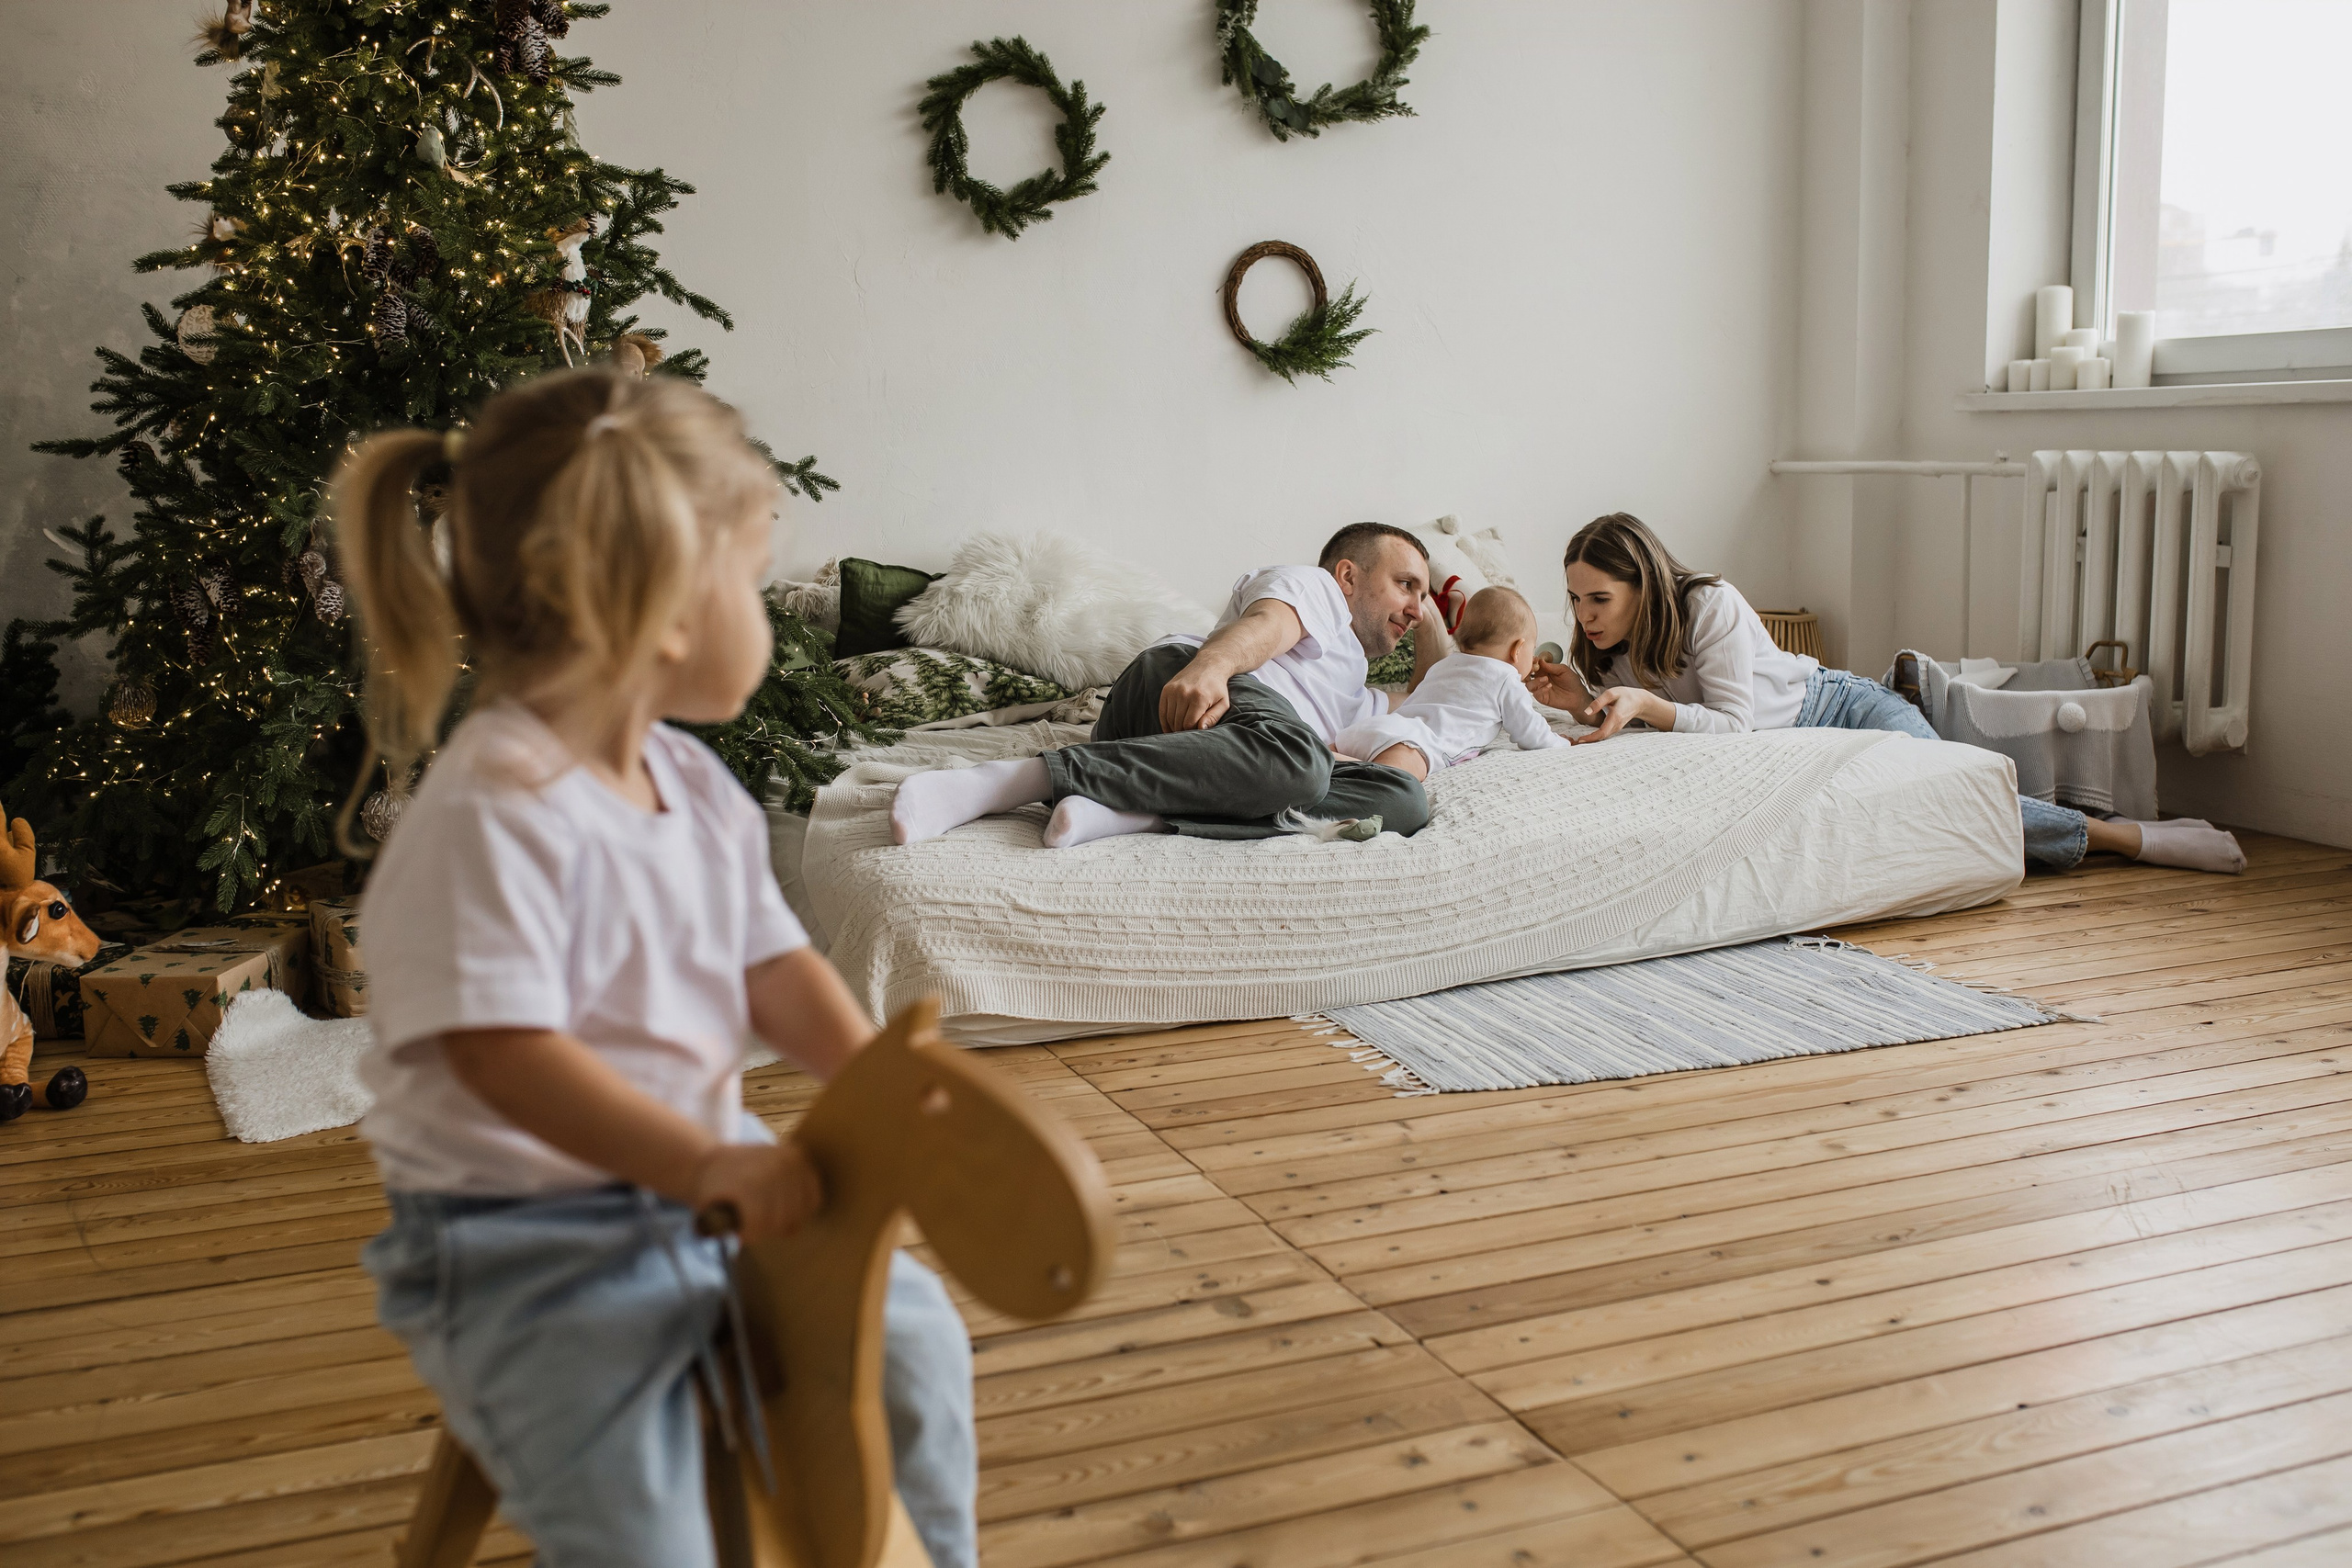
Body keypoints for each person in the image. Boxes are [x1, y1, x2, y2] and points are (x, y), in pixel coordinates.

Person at [334, 367, 978, 1568]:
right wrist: (700, 1158)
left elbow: (770, 963)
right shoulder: (496, 809)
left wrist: (874, 1075)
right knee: (651, 1518)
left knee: (913, 1345)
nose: (769, 610)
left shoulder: (691, 788)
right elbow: (502, 1053)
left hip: (709, 1195)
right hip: (526, 1241)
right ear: (665, 607)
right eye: (752, 576)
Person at [1525, 512, 2245, 875]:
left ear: (1644, 585)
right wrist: (1583, 702)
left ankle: (2130, 838)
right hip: (1797, 746)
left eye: (1599, 597)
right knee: (1946, 800)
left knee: (1957, 786)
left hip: (1838, 705)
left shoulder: (1708, 603)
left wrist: (1646, 705)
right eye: (1575, 598)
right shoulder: (1607, 648)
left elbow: (1731, 727)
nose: (1585, 615)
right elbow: (1656, 719)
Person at [888, 522, 1453, 848]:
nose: (1413, 606)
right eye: (1406, 584)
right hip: (1174, 687)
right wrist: (1209, 667)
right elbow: (1268, 625)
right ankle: (1008, 781)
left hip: (1223, 758)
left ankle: (1131, 812)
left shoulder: (1354, 685)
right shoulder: (1316, 591)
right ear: (1349, 576)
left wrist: (1431, 618)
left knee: (1402, 798)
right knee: (1301, 761)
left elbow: (1429, 693)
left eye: (1422, 595)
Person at [1332, 585, 1573, 777]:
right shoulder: (1506, 678)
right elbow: (1530, 732)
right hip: (1413, 743)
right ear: (1518, 650)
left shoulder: (1445, 665)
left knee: (1339, 753)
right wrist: (1559, 743)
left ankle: (1332, 758)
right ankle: (1357, 775)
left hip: (1375, 727)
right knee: (1399, 776)